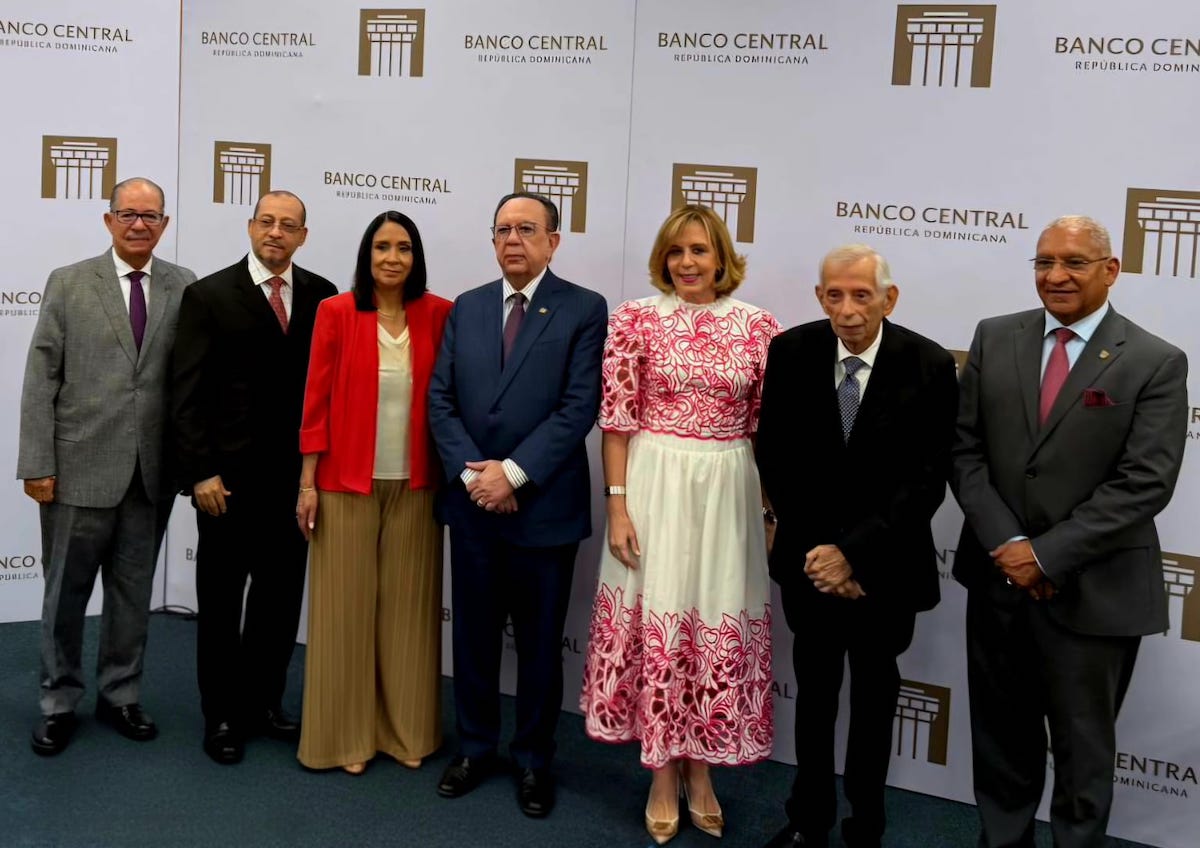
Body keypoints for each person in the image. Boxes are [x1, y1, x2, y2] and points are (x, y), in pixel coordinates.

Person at [951, 216, 1188, 848]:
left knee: (1084, 756)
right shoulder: (995, 337)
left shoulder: (1155, 360)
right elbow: (965, 452)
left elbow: (1145, 484)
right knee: (1001, 740)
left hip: (1095, 592)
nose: (1055, 275)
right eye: (1043, 261)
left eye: (1075, 262)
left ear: (1110, 271)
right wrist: (1011, 552)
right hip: (1000, 582)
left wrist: (1046, 556)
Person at [579, 204, 780, 845]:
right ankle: (662, 776)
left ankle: (703, 771)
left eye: (698, 250)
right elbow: (616, 422)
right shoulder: (635, 318)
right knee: (660, 615)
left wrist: (771, 509)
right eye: (675, 252)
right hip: (653, 483)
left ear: (722, 255)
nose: (687, 263)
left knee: (712, 615)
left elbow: (768, 431)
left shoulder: (761, 329)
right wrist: (616, 504)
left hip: (729, 489)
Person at [757, 244, 958, 848]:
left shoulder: (927, 363)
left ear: (888, 299)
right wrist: (824, 555)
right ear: (820, 297)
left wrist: (854, 553)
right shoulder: (791, 351)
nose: (847, 310)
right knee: (814, 698)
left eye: (861, 295)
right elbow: (776, 455)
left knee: (874, 701)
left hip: (885, 572)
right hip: (811, 566)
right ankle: (807, 819)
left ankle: (866, 825)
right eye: (834, 295)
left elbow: (926, 478)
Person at [428, 191, 607, 818]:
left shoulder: (583, 309)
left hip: (544, 509)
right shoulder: (468, 307)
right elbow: (440, 400)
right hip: (473, 503)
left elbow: (577, 407)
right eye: (502, 229)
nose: (513, 240)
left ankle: (533, 761)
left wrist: (514, 474)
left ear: (553, 241)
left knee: (538, 646)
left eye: (527, 229)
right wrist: (475, 475)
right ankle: (475, 747)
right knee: (473, 638)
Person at [18, 177, 196, 755]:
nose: (139, 224)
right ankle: (57, 701)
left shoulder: (182, 286)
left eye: (151, 215)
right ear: (108, 220)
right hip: (76, 471)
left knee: (131, 595)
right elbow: (40, 379)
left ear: (164, 224)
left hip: (151, 475)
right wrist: (37, 464)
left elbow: (187, 382)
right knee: (64, 595)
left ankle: (120, 694)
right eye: (128, 214)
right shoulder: (69, 283)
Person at [171, 191, 337, 765]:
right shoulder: (207, 295)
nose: (276, 233)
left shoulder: (323, 296)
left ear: (303, 236)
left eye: (288, 225)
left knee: (279, 601)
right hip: (226, 486)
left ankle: (264, 703)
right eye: (267, 222)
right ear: (250, 226)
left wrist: (316, 479)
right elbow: (185, 394)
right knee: (219, 605)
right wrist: (199, 473)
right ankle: (220, 716)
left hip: (295, 485)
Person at [295, 211, 452, 774]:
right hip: (343, 486)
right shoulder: (335, 312)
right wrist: (307, 483)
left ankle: (405, 733)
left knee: (408, 616)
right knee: (344, 617)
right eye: (381, 247)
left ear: (416, 257)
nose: (392, 258)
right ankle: (345, 739)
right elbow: (314, 403)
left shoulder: (441, 314)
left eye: (403, 248)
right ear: (366, 255)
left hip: (417, 486)